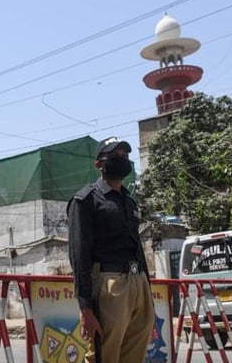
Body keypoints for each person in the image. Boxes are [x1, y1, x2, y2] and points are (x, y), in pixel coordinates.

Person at [67, 137, 154, 362]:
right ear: (99, 164)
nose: (122, 159)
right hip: (109, 285)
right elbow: (79, 255)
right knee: (104, 354)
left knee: (135, 354)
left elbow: (137, 247)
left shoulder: (129, 201)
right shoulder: (85, 200)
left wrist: (146, 288)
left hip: (138, 282)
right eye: (115, 156)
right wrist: (85, 307)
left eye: (125, 155)